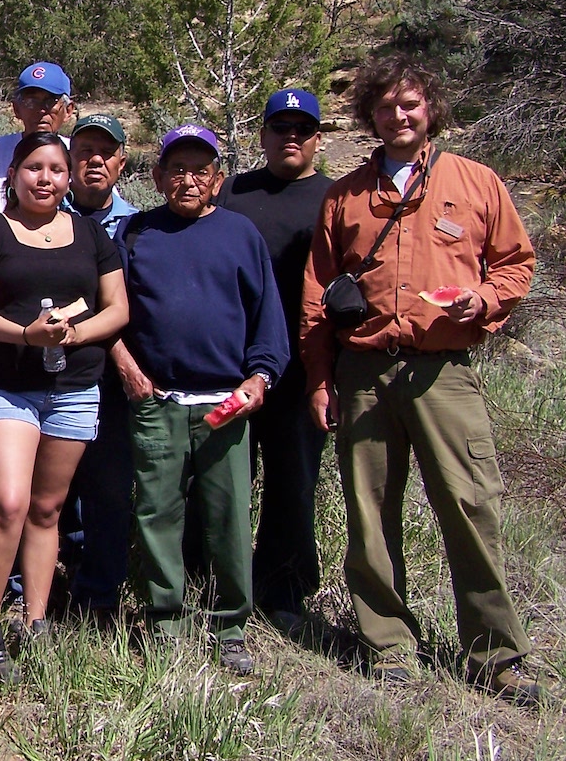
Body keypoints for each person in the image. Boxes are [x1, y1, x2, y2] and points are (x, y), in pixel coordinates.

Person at [302, 55, 542, 705]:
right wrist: (320, 380)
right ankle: (388, 646)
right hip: (364, 372)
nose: (398, 116)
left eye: (409, 104)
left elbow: (516, 262)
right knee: (368, 513)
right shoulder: (344, 196)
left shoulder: (476, 182)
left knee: (471, 507)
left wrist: (486, 301)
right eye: (385, 106)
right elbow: (317, 297)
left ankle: (498, 657)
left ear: (428, 108)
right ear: (370, 116)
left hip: (444, 374)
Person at [111, 125, 287, 675]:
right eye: (176, 170)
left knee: (229, 518)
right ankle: (166, 622)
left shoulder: (240, 234)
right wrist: (127, 368)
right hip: (157, 400)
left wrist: (261, 377)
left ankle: (230, 625)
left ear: (217, 179)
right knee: (157, 514)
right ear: (158, 176)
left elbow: (268, 320)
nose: (188, 180)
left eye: (200, 170)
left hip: (225, 405)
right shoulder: (136, 233)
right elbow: (106, 307)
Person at [0, 132, 128, 682]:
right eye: (34, 167)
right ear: (14, 173)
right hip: (5, 384)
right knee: (8, 501)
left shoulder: (93, 233)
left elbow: (117, 308)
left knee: (48, 508)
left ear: (69, 175)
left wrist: (73, 336)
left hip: (74, 385)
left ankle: (35, 619)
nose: (45, 178)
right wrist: (27, 337)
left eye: (56, 168)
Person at [217, 89, 333, 633]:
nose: (290, 137)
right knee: (222, 481)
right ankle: (217, 581)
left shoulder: (335, 199)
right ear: (261, 134)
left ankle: (284, 591)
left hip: (302, 370)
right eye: (279, 127)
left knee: (293, 482)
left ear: (316, 138)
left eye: (302, 129)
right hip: (228, 368)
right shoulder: (234, 192)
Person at [60, 113, 140, 619]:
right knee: (52, 490)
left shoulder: (139, 225)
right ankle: (43, 588)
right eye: (85, 150)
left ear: (121, 163)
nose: (95, 160)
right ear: (69, 159)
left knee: (110, 488)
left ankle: (100, 598)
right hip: (52, 374)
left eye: (105, 153)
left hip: (114, 385)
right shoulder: (43, 217)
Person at [0, 62, 74, 193]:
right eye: (31, 101)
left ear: (68, 111)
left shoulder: (76, 155)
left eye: (51, 102)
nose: (40, 110)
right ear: (17, 109)